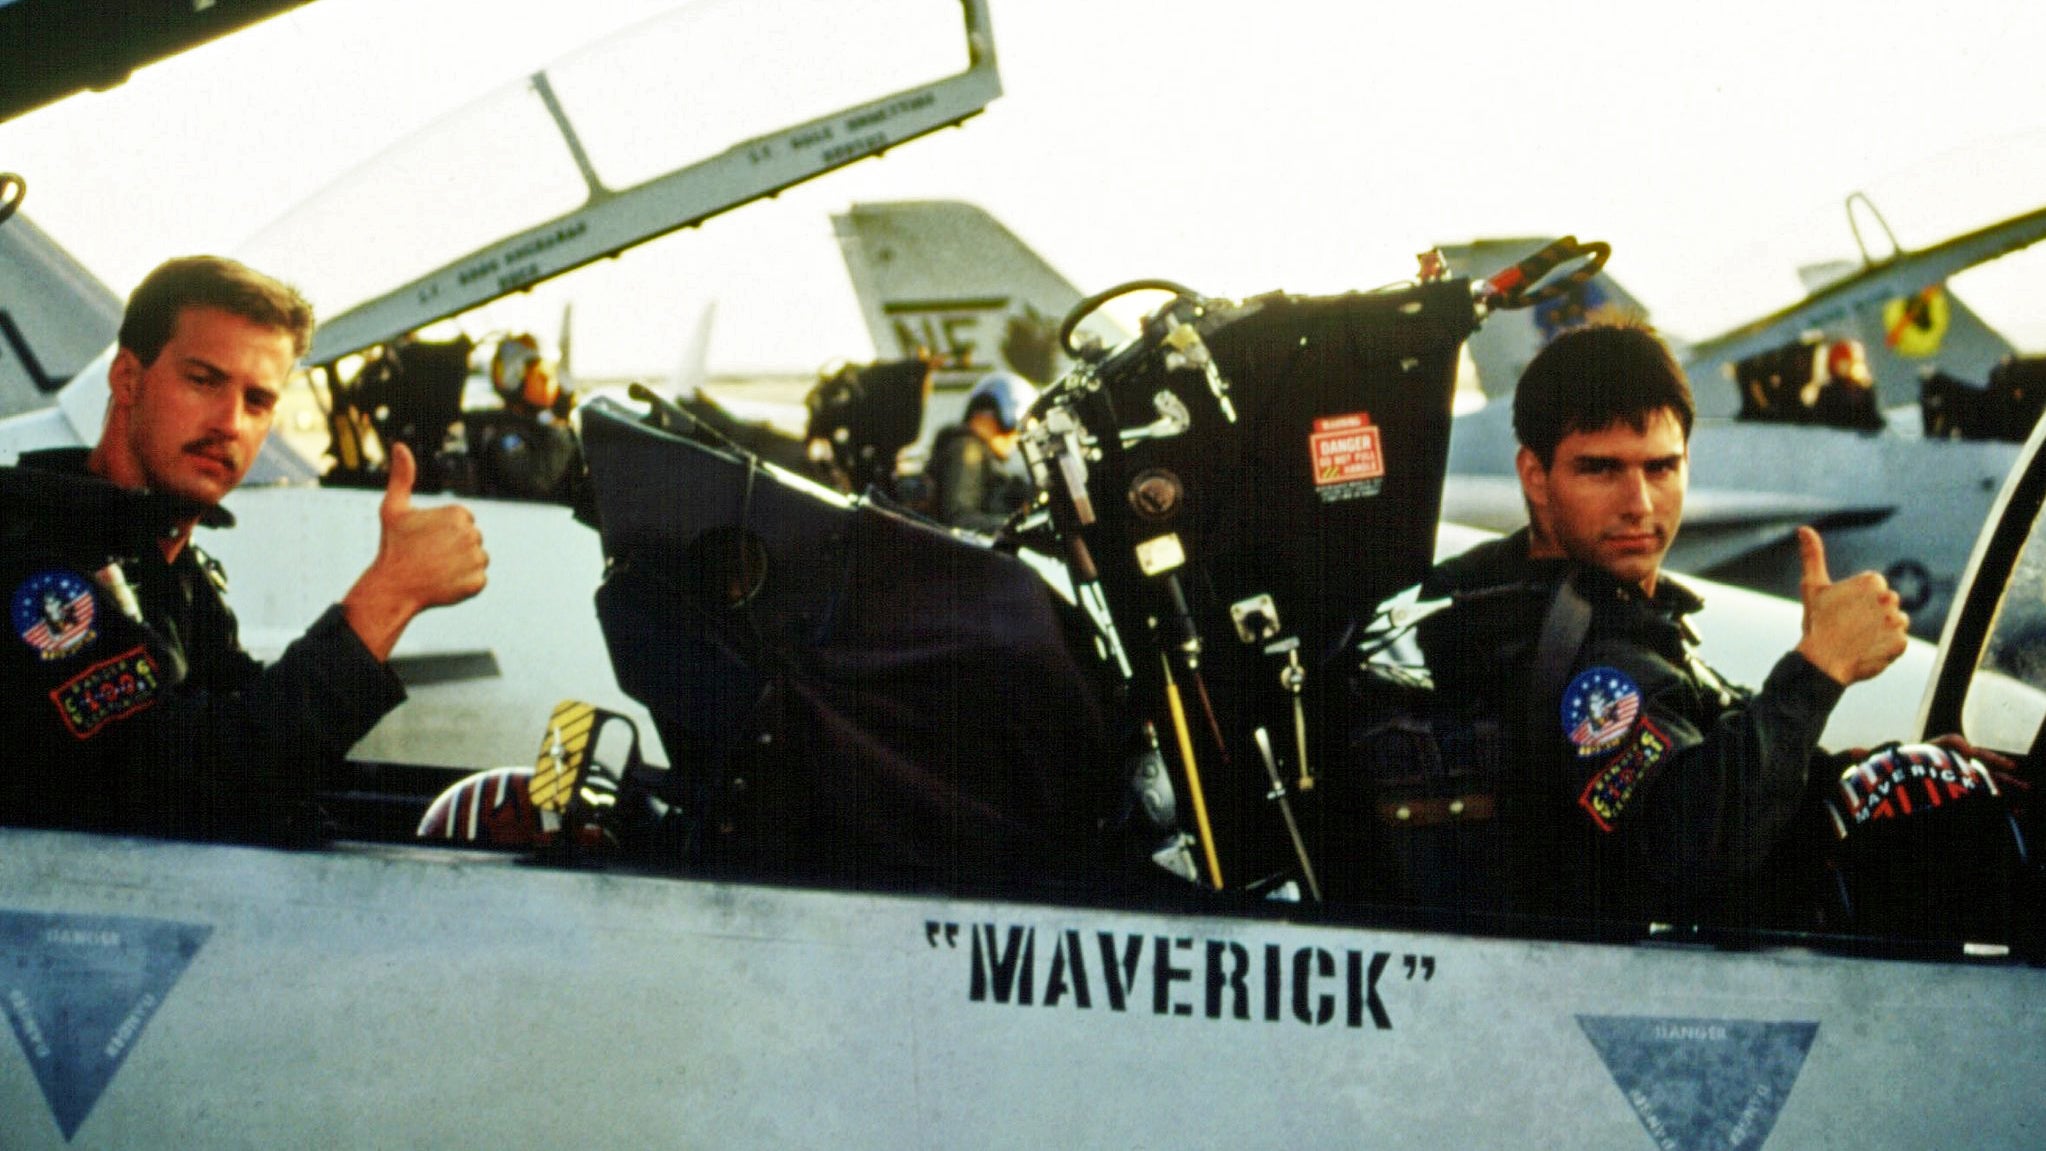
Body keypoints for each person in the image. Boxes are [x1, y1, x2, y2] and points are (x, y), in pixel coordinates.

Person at [1415, 322, 1913, 925]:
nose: (1640, 505)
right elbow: (1693, 853)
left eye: (1660, 468)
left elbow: (1705, 753)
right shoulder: (1562, 653)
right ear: (1535, 476)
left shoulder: (1603, 618)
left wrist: (1888, 770)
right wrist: (1818, 668)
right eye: (1600, 470)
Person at [0, 255, 488, 842]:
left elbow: (259, 739)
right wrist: (389, 597)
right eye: (203, 381)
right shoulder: (31, 557)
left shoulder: (165, 567)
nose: (230, 422)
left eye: (257, 401)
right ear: (128, 379)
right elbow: (197, 785)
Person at [925, 370, 1036, 533]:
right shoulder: (968, 449)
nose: (1016, 439)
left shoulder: (982, 457)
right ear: (1005, 417)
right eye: (1018, 430)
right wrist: (1021, 528)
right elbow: (959, 519)